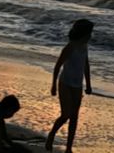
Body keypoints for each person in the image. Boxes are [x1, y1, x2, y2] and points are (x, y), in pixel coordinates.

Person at [45, 19, 93, 152]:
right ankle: (51, 135)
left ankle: (69, 148)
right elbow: (57, 66)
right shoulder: (70, 47)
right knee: (65, 114)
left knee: (75, 116)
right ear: (83, 34)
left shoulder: (84, 46)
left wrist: (88, 84)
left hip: (77, 85)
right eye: (89, 33)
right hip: (65, 83)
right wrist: (53, 85)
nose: (90, 36)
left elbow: (86, 65)